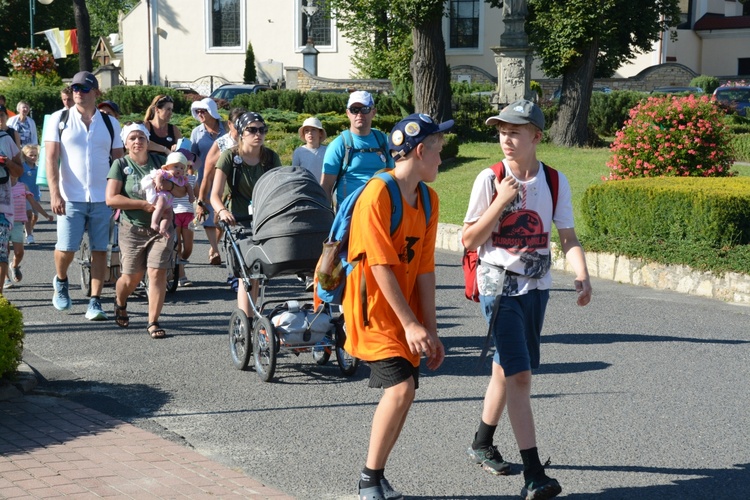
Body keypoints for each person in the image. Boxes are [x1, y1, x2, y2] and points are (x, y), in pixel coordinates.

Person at [462, 100, 592, 500]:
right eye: (501, 131)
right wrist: (501, 200)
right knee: (521, 376)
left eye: (515, 131)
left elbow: (567, 237)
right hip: (497, 287)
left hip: (537, 288)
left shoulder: (554, 181)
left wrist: (582, 273)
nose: (506, 138)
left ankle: (482, 442)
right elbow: (469, 239)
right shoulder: (490, 178)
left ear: (536, 136)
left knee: (506, 367)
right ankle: (534, 474)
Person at [343, 113, 450, 500]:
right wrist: (410, 324)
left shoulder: (428, 198)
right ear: (421, 151)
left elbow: (424, 269)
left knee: (406, 392)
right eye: (439, 151)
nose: (442, 158)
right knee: (402, 390)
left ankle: (376, 475)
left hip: (403, 315)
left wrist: (430, 328)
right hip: (372, 311)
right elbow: (379, 266)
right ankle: (368, 479)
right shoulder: (377, 194)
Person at [43, 71, 124, 319]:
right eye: (75, 87)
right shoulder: (60, 119)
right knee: (66, 248)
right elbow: (51, 159)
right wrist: (54, 194)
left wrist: (119, 197)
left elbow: (119, 162)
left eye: (84, 89)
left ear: (96, 93)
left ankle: (95, 300)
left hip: (103, 197)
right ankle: (61, 280)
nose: (78, 92)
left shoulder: (110, 123)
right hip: (71, 196)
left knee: (101, 250)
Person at [105, 122, 187, 338]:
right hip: (132, 228)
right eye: (132, 138)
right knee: (132, 277)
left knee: (157, 273)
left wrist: (167, 186)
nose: (137, 142)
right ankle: (120, 301)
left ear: (147, 141)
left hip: (161, 228)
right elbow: (111, 199)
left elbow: (180, 190)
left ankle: (153, 321)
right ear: (125, 143)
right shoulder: (120, 164)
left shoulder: (160, 162)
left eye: (141, 138)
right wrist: (142, 205)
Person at [211, 111, 281, 320]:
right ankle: (247, 321)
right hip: (238, 221)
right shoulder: (230, 157)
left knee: (257, 274)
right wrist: (222, 211)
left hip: (264, 220)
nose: (257, 134)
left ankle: (252, 317)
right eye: (252, 129)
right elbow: (214, 195)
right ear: (241, 132)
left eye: (262, 130)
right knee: (246, 275)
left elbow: (278, 188)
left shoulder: (270, 157)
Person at [195, 106, 245, 290]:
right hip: (226, 195)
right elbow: (207, 174)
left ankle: (243, 267)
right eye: (237, 123)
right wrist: (201, 200)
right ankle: (234, 274)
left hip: (248, 196)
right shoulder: (222, 144)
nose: (242, 127)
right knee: (231, 233)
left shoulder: (253, 142)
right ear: (229, 124)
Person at [320, 91, 394, 208]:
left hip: (381, 209)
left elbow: (393, 175)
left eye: (364, 109)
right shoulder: (339, 144)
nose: (359, 114)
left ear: (373, 112)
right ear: (348, 113)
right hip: (349, 213)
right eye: (354, 109)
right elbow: (326, 186)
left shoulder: (383, 140)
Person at [190, 97, 225, 265]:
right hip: (205, 179)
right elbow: (192, 158)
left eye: (203, 111)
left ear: (212, 112)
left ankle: (213, 247)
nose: (200, 114)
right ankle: (215, 251)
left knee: (223, 218)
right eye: (198, 111)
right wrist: (190, 179)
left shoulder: (227, 129)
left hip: (226, 178)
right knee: (208, 216)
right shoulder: (196, 132)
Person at [4, 175, 53, 289]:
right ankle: (6, 278)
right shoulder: (2, 186)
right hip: (3, 223)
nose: (12, 175)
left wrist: (46, 215)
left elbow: (33, 203)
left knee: (19, 252)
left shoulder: (23, 186)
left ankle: (14, 266)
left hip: (17, 224)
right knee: (4, 252)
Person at [140, 151, 194, 237]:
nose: (178, 170)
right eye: (176, 167)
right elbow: (159, 176)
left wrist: (191, 196)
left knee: (169, 216)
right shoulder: (168, 174)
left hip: (169, 200)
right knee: (160, 207)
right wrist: (159, 183)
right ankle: (154, 223)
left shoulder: (181, 179)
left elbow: (188, 186)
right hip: (162, 195)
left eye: (181, 168)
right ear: (168, 167)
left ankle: (163, 229)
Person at [0, 122, 23, 296]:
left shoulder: (5, 139)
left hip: (2, 206)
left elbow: (18, 171)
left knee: (1, 253)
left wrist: (6, 162)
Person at [18, 145, 41, 244]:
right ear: (25, 156)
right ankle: (29, 235)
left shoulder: (38, 168)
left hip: (35, 195)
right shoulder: (22, 167)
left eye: (35, 155)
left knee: (35, 217)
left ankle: (29, 229)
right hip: (25, 196)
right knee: (28, 214)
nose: (33, 157)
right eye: (31, 155)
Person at [292, 116, 327, 181]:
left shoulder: (327, 151)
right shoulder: (299, 152)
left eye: (313, 130)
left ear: (320, 133)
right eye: (306, 130)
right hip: (305, 188)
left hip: (322, 188)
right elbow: (294, 174)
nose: (310, 133)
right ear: (304, 134)